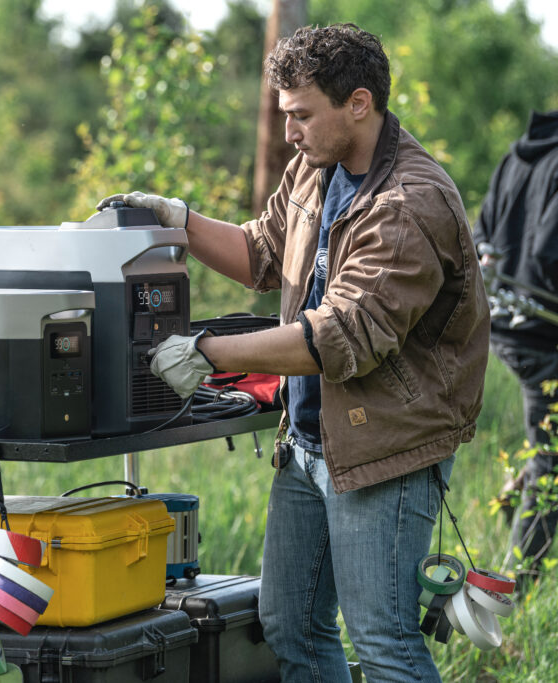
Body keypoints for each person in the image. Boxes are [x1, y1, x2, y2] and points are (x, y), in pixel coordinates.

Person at [98, 24, 489, 681]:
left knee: (384, 640)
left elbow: (341, 336)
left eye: (301, 114)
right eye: (285, 115)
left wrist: (209, 350)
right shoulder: (315, 165)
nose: (289, 133)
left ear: (358, 103)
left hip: (384, 451)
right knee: (292, 626)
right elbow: (260, 252)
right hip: (308, 443)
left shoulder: (409, 206)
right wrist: (180, 221)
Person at [472, 110, 558, 591]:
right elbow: (550, 251)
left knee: (549, 444)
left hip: (504, 326)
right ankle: (514, 590)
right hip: (543, 335)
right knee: (555, 460)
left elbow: (481, 232)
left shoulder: (518, 153)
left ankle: (508, 500)